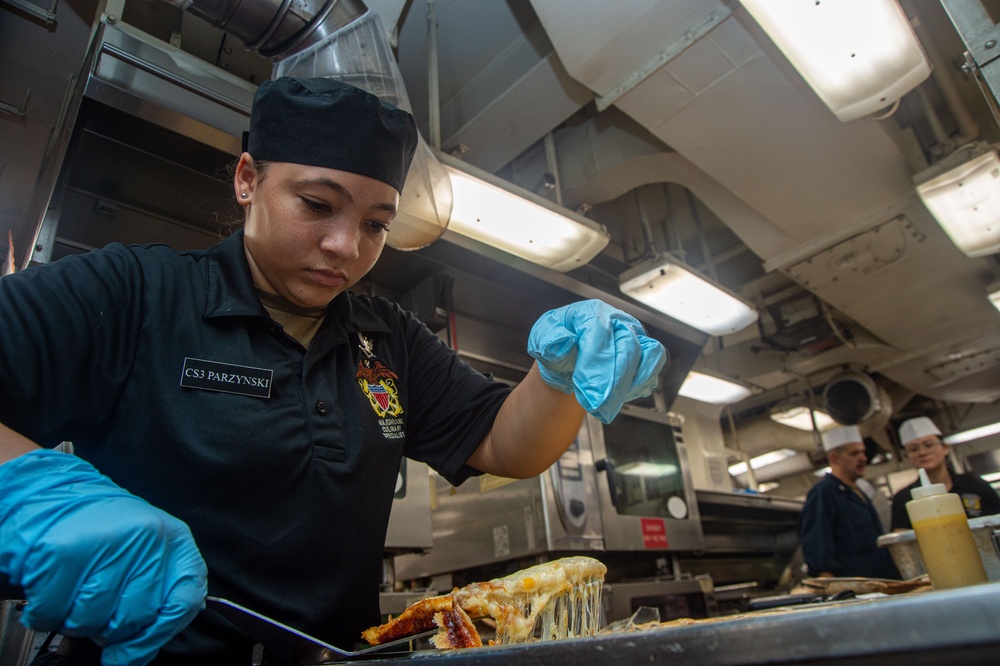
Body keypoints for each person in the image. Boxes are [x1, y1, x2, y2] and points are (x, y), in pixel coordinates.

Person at [0, 77, 667, 666]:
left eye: (376, 224)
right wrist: (37, 497)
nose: (345, 247)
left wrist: (560, 376)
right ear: (246, 179)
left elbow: (503, 443)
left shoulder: (388, 339)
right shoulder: (135, 293)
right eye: (317, 205)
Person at [798, 425, 899, 579]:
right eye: (854, 453)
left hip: (880, 581)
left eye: (863, 452)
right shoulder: (824, 492)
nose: (863, 459)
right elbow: (818, 543)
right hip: (855, 589)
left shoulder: (859, 491)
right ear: (834, 458)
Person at [890, 416, 1000, 530]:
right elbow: (903, 539)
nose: (922, 452)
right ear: (907, 457)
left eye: (928, 445)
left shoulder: (975, 486)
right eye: (913, 449)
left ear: (945, 448)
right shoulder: (903, 499)